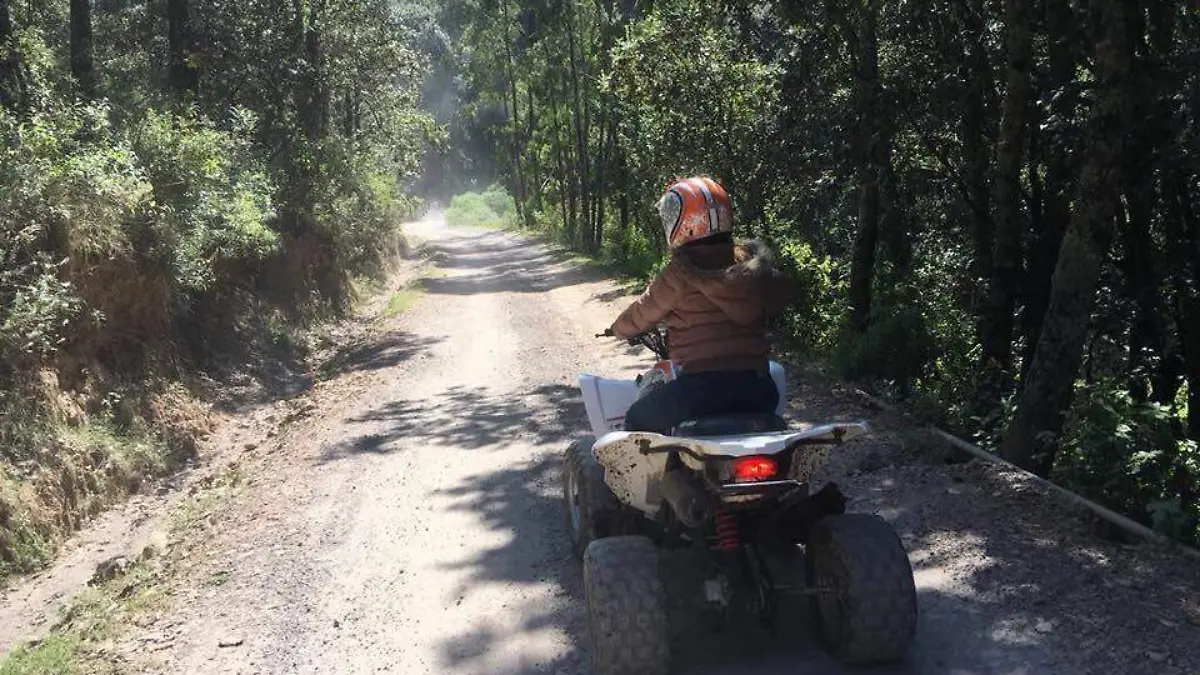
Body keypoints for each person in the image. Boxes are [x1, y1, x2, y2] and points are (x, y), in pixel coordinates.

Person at [608, 176, 798, 434]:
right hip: (758, 390)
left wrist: (618, 329)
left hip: (698, 394)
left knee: (637, 418)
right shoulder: (750, 265)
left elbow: (642, 312)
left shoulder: (680, 273)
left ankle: (670, 471)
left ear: (682, 223)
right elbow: (783, 292)